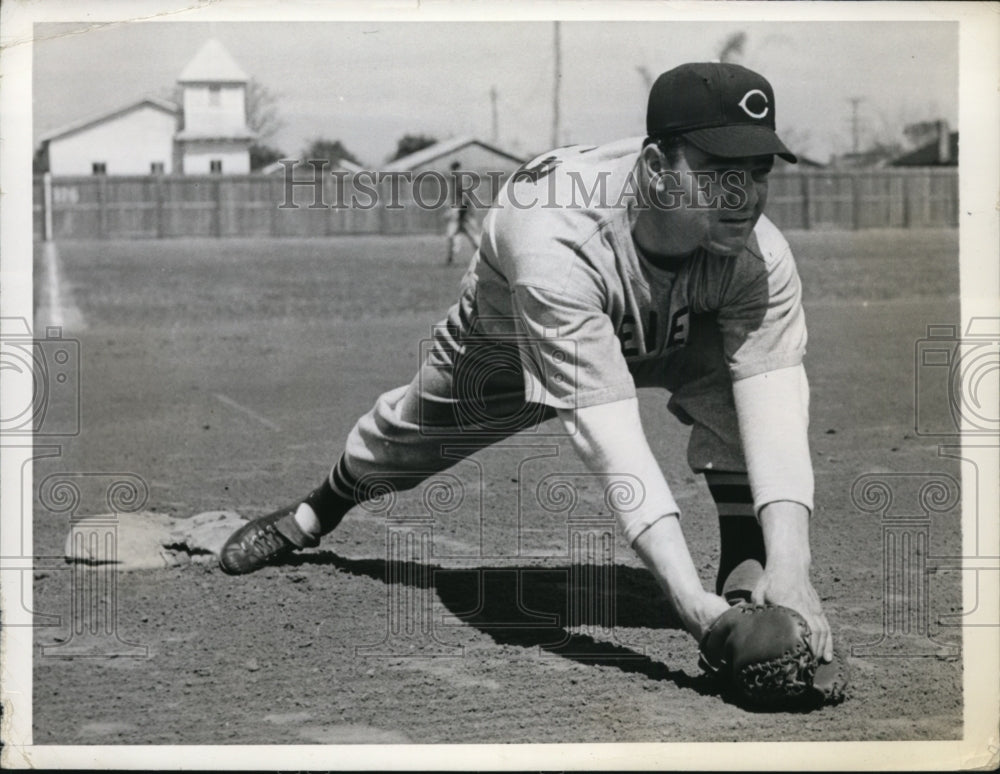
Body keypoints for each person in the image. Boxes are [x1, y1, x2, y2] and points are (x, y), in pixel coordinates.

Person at [220, 62, 834, 664]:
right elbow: (613, 442)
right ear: (654, 168)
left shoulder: (760, 255)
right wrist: (688, 606)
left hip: (672, 327)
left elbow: (775, 405)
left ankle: (747, 583)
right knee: (401, 439)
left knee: (738, 377)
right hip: (509, 344)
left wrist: (793, 568)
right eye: (717, 172)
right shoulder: (555, 238)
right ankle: (312, 515)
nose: (744, 197)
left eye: (757, 173)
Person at [444, 160, 481, 265]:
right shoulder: (455, 181)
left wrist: (456, 210)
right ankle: (450, 259)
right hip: (457, 215)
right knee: (451, 236)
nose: (454, 172)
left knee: (474, 239)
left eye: (456, 170)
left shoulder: (462, 181)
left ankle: (484, 260)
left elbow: (465, 198)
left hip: (465, 214)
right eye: (453, 171)